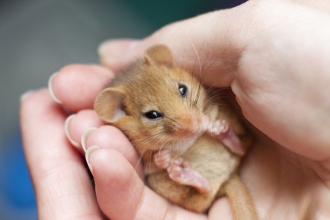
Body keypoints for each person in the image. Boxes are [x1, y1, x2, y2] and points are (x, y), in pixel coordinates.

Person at [20, 0, 330, 219]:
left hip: (235, 159)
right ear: (117, 112)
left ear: (167, 64)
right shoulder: (138, 137)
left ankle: (228, 144)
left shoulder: (201, 97)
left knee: (220, 124)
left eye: (182, 91)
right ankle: (195, 181)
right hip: (198, 190)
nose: (188, 120)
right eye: (153, 114)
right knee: (157, 174)